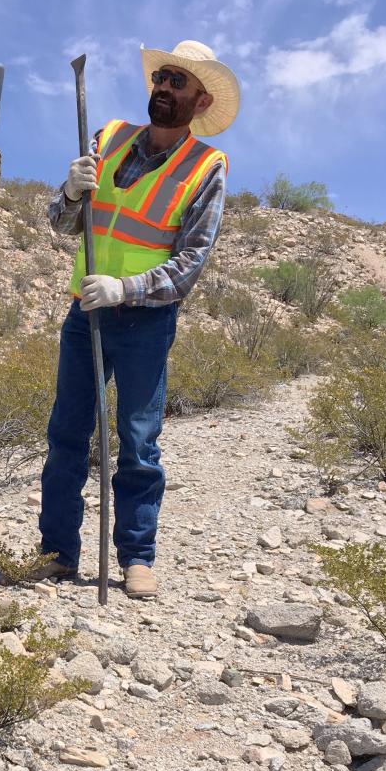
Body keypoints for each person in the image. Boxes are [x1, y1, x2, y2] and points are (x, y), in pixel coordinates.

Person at [37, 40, 240, 599]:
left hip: (145, 321)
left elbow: (190, 262)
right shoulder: (109, 138)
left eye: (179, 84)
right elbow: (62, 222)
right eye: (163, 78)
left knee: (139, 441)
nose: (165, 89)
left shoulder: (206, 168)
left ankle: (136, 556)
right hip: (86, 314)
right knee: (66, 434)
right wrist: (72, 194)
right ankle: (56, 553)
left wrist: (126, 287)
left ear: (200, 102)